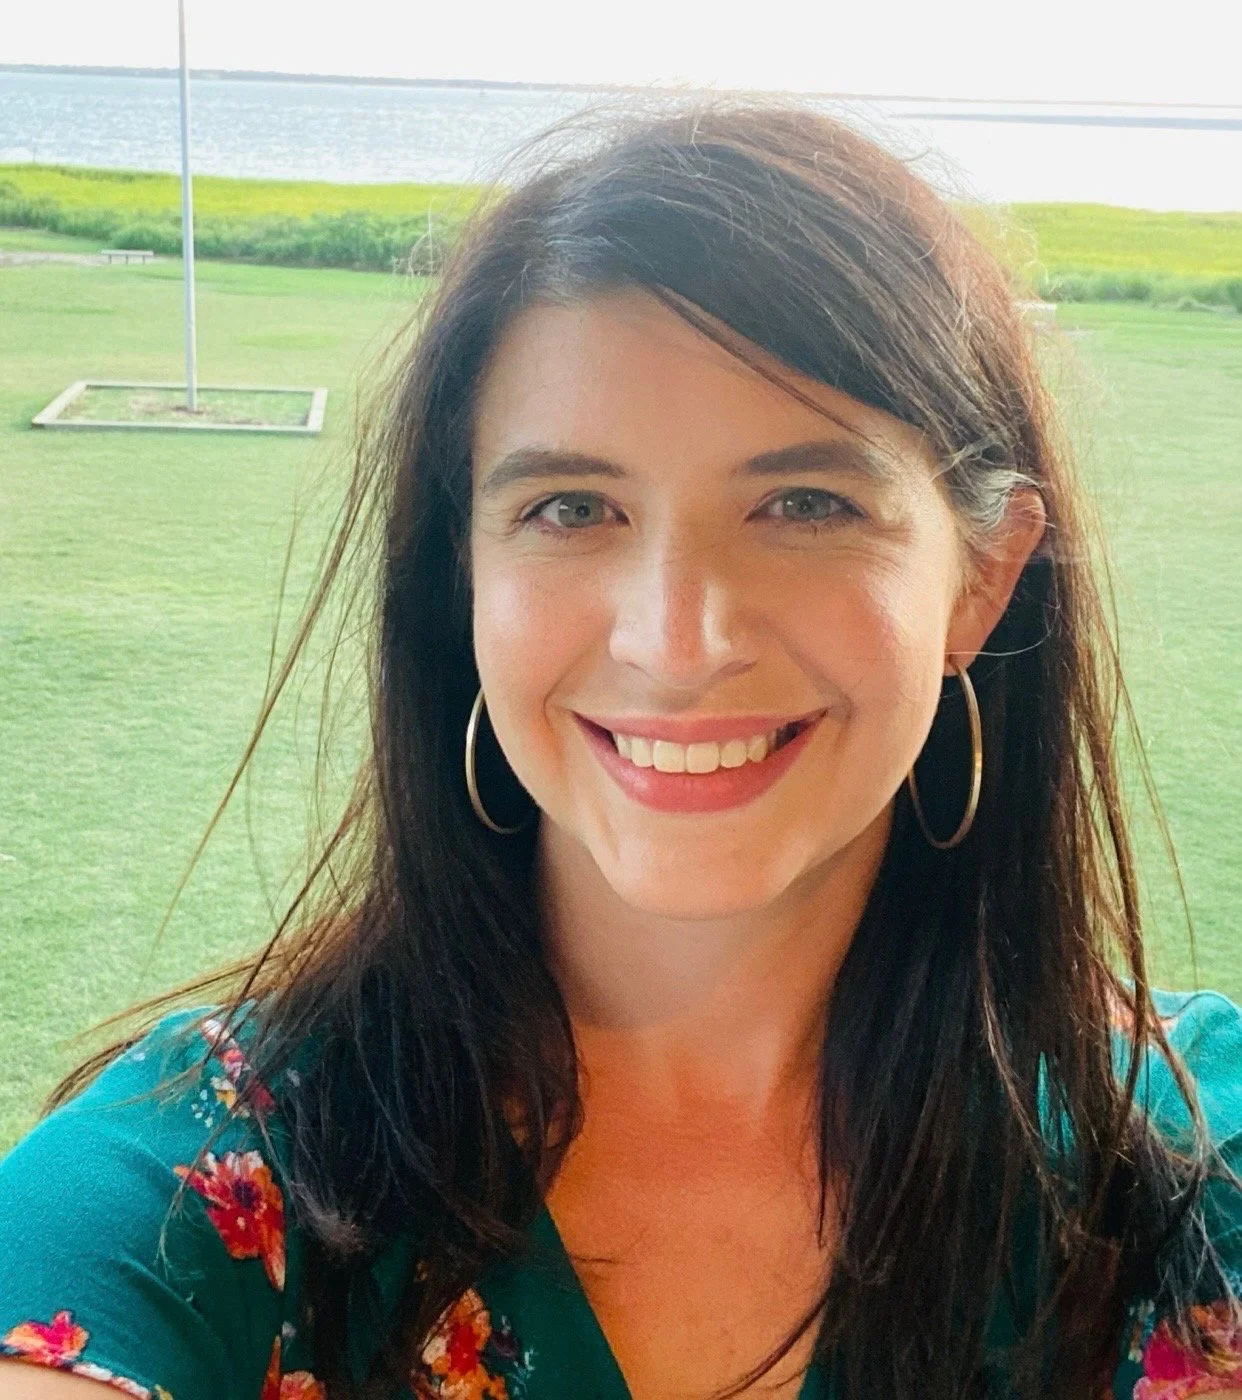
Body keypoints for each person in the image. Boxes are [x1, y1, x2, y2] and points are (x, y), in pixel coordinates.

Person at [0, 98, 1239, 1400]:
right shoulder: (203, 1176)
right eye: (571, 507)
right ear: (462, 575)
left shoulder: (1185, 1175)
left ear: (981, 577)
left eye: (804, 504)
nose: (676, 639)